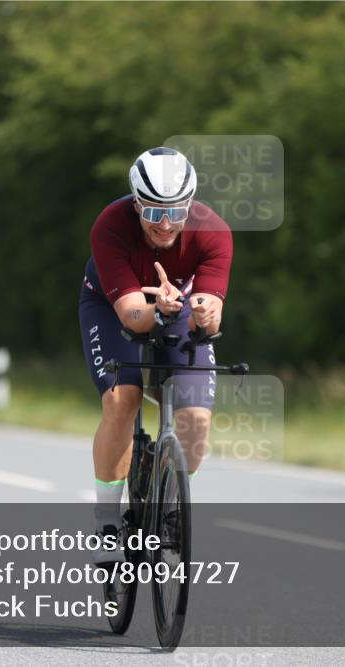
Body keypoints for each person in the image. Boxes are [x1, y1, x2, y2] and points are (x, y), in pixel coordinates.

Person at [79, 147, 232, 565]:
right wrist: (157, 309)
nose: (165, 224)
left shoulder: (213, 232)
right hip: (113, 307)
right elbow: (132, 316)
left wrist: (204, 313)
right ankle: (108, 521)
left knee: (197, 420)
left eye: (176, 212)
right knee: (121, 399)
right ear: (136, 203)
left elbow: (211, 318)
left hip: (178, 306)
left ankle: (169, 506)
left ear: (191, 206)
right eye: (153, 213)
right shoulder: (111, 226)